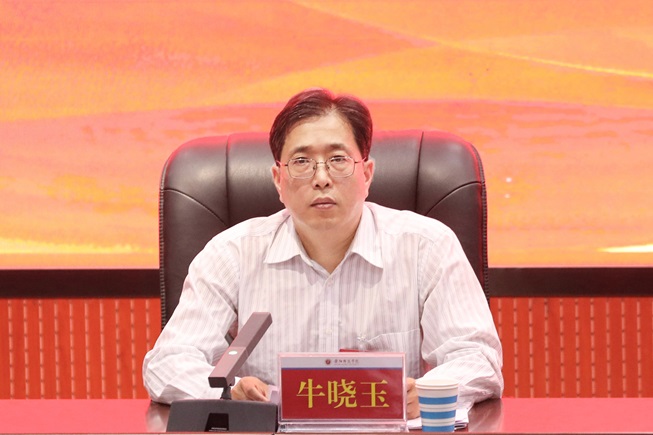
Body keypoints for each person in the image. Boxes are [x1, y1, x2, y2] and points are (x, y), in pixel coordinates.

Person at [142, 88, 503, 417]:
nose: (321, 178)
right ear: (278, 180)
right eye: (301, 162)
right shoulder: (231, 254)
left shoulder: (427, 246)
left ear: (367, 174)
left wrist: (427, 393)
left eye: (338, 159)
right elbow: (168, 362)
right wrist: (227, 393)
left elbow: (476, 356)